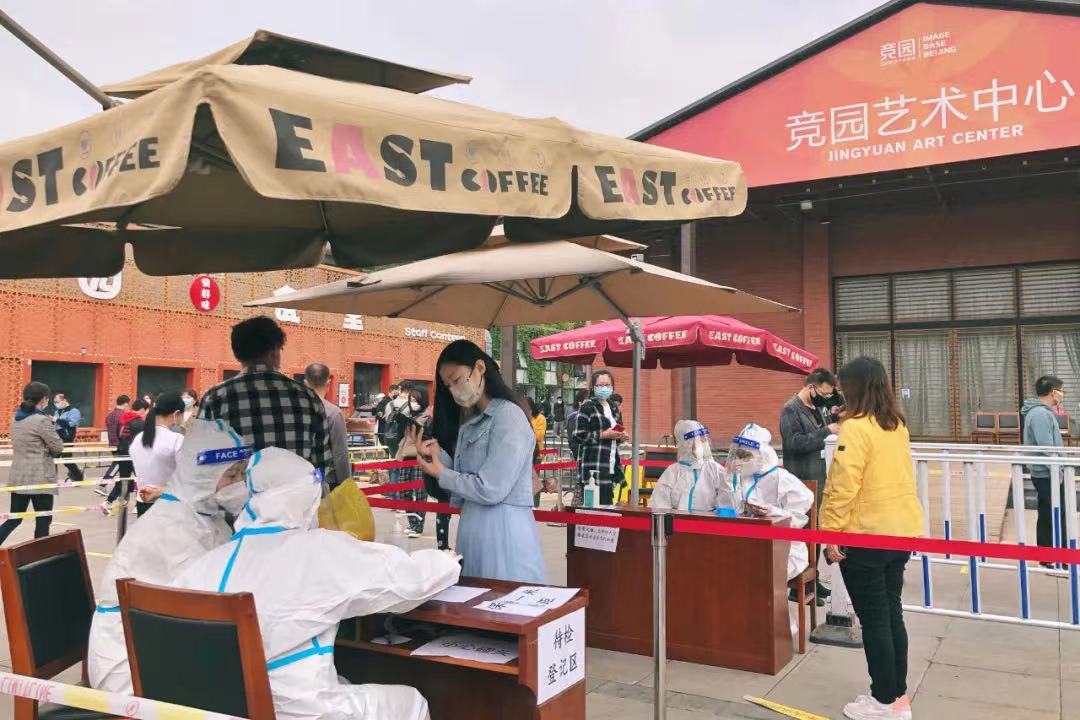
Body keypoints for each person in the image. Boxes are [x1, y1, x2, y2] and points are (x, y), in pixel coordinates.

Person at [172, 446, 460, 720]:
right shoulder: (318, 550)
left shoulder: (207, 564)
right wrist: (447, 562)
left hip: (219, 709)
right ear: (305, 497)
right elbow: (407, 582)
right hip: (302, 710)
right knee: (411, 703)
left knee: (344, 683)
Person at [88, 420, 238, 694]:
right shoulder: (175, 526)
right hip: (132, 668)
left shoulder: (198, 515)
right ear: (203, 474)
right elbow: (210, 604)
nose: (239, 484)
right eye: (231, 475)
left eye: (241, 474)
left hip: (155, 646)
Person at [821, 357, 923, 720]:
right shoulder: (896, 425)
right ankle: (897, 696)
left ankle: (883, 700)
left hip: (866, 533)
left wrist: (830, 531)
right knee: (892, 613)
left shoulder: (856, 428)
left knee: (875, 619)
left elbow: (843, 484)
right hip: (900, 530)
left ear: (853, 388)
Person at [414, 339, 547, 583]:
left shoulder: (508, 417)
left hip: (504, 534)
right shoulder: (470, 422)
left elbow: (491, 488)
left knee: (501, 600)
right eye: (448, 385)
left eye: (456, 379)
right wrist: (436, 456)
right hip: (472, 530)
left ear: (480, 368)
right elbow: (464, 482)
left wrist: (443, 473)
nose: (454, 389)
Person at [199, 316, 330, 477]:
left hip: (237, 493)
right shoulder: (309, 398)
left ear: (237, 353)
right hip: (298, 492)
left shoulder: (215, 398)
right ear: (274, 351)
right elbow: (321, 464)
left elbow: (202, 461)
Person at [719, 423, 816, 631]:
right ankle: (741, 627)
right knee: (726, 568)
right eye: (738, 455)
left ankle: (778, 630)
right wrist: (729, 482)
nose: (739, 461)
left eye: (745, 456)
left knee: (762, 574)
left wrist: (772, 512)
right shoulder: (741, 478)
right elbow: (728, 510)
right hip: (750, 545)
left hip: (787, 549)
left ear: (761, 454)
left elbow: (798, 518)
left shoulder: (782, 479)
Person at [0, 382, 65, 545]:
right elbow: (58, 446)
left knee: (14, 519)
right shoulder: (42, 420)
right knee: (43, 520)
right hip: (40, 477)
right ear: (43, 399)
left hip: (19, 476)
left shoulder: (15, 418)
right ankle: (41, 555)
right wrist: (47, 450)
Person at [1022, 375, 1066, 556]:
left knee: (1047, 513)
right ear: (1052, 392)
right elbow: (1047, 447)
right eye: (1060, 390)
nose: (1062, 394)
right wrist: (1059, 470)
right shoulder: (1040, 414)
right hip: (1047, 473)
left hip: (1046, 471)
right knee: (1057, 513)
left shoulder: (1040, 412)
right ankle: (1061, 556)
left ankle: (1046, 555)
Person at [572, 370, 628, 506]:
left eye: (607, 385)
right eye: (600, 385)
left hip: (611, 464)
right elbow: (579, 435)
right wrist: (603, 435)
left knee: (607, 505)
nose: (604, 388)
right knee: (594, 507)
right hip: (593, 466)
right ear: (593, 387)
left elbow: (615, 431)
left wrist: (620, 436)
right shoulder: (587, 407)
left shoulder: (613, 407)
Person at [129, 391, 186, 517]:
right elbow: (187, 480)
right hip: (170, 506)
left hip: (143, 503)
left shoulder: (138, 439)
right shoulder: (176, 440)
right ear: (177, 414)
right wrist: (159, 491)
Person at [649, 420, 726, 513]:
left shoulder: (715, 470)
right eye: (698, 439)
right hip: (677, 520)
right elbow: (659, 505)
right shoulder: (672, 472)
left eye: (704, 438)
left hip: (707, 521)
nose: (703, 442)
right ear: (685, 443)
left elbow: (727, 502)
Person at [394, 385, 433, 538]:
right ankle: (412, 522)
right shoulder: (408, 414)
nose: (413, 402)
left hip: (419, 458)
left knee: (420, 492)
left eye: (416, 399)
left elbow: (430, 437)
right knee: (404, 491)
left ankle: (418, 526)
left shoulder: (428, 416)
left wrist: (417, 428)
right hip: (405, 456)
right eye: (411, 399)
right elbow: (401, 436)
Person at [304, 363, 350, 493]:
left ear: (305, 383)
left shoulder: (294, 410)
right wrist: (346, 485)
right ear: (328, 383)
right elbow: (340, 453)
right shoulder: (333, 412)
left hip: (299, 481)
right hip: (326, 482)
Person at [102, 399, 149, 514]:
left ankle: (108, 502)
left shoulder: (124, 419)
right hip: (134, 455)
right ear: (142, 410)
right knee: (141, 479)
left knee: (124, 479)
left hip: (122, 452)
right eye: (146, 410)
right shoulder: (140, 423)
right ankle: (138, 505)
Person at [99, 395, 131, 497]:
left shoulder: (110, 415)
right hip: (121, 444)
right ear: (126, 403)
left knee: (118, 464)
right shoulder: (123, 415)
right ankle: (103, 485)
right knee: (117, 464)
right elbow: (122, 432)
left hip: (112, 442)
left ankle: (116, 488)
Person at [52, 391, 83, 482]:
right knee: (54, 458)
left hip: (67, 437)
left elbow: (71, 424)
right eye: (54, 402)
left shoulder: (74, 411)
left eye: (57, 402)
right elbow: (55, 424)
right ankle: (52, 479)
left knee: (66, 459)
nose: (55, 404)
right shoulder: (57, 411)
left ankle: (78, 476)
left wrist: (56, 420)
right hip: (56, 437)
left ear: (64, 400)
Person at [528, 397, 548, 507]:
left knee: (535, 479)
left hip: (537, 453)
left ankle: (535, 504)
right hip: (524, 453)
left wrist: (527, 432)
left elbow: (539, 435)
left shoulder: (540, 418)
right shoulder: (523, 417)